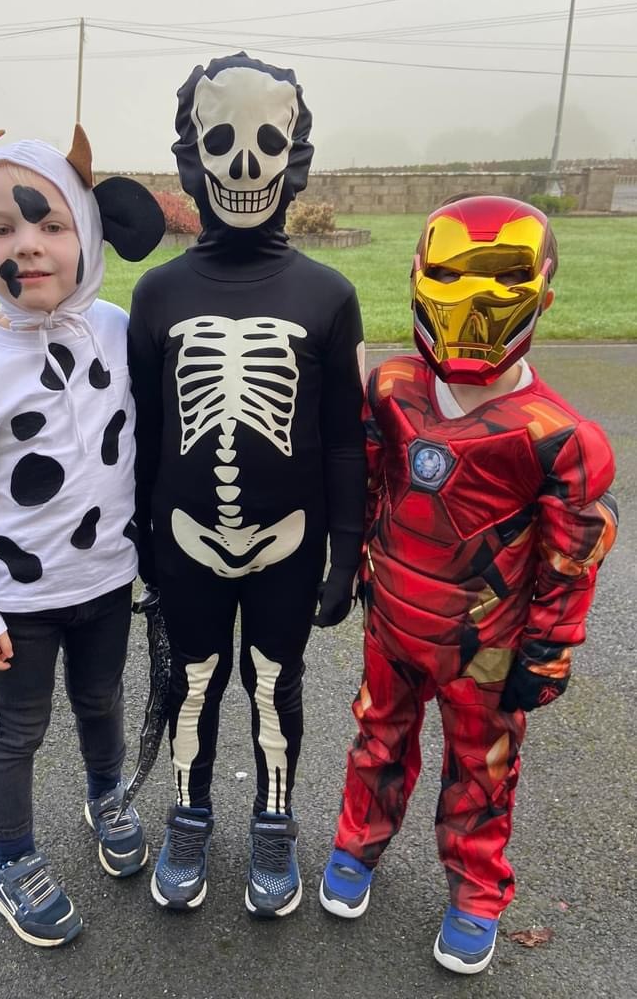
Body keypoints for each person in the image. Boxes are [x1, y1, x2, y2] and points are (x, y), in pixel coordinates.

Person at [318, 195, 618, 974]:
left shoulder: (557, 437)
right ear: (420, 277)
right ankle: (357, 845)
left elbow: (571, 558)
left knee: (482, 768)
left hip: (486, 645)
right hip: (393, 620)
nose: (473, 302)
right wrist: (347, 567)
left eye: (501, 279)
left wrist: (549, 649)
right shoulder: (391, 389)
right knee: (377, 737)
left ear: (541, 292)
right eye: (451, 275)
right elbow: (365, 487)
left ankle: (477, 892)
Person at [129, 52, 366, 917]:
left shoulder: (328, 296)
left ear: (295, 157)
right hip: (183, 538)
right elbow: (146, 433)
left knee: (274, 682)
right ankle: (188, 817)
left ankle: (274, 822)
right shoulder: (157, 295)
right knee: (189, 681)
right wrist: (137, 540)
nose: (242, 166)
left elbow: (344, 442)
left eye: (265, 143)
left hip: (289, 543)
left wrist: (345, 554)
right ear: (193, 155)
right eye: (221, 142)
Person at [0, 127, 164, 947]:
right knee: (18, 730)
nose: (26, 244)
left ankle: (106, 796)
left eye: (50, 224)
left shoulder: (117, 329)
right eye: (0, 227)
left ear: (90, 233)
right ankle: (10, 856)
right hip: (19, 599)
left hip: (105, 579)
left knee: (101, 700)